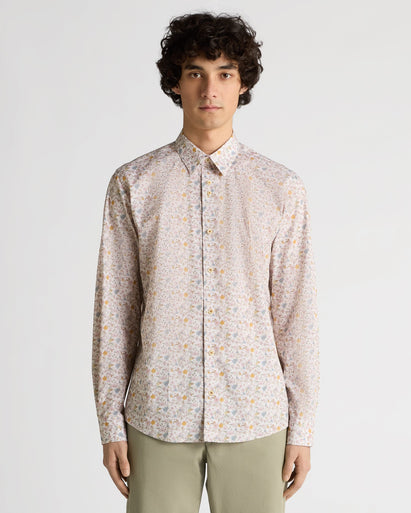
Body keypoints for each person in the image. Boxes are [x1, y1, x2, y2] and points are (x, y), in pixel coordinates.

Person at [92, 11, 320, 513]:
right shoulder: (134, 183)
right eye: (195, 72)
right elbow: (116, 312)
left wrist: (301, 428)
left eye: (225, 73)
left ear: (243, 84)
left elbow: (296, 317)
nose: (210, 89)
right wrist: (111, 423)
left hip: (255, 416)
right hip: (158, 413)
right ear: (176, 82)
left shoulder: (280, 188)